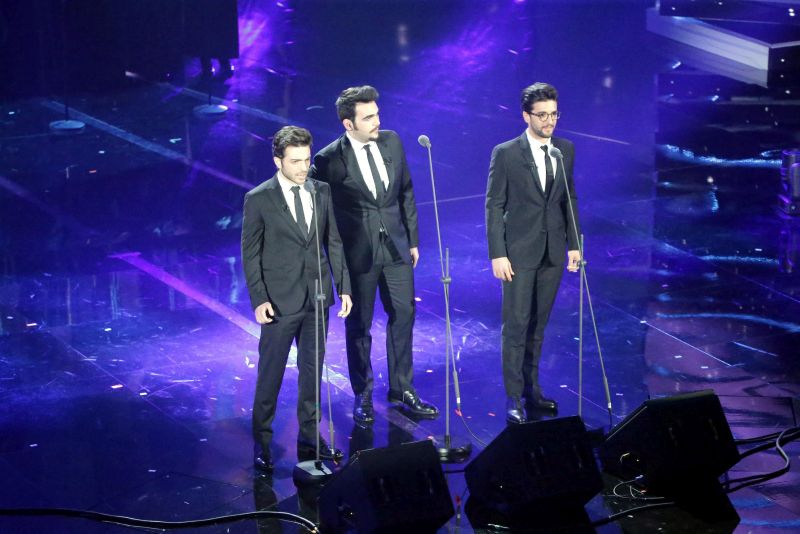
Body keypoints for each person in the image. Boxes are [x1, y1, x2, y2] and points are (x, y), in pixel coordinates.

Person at [309, 85, 438, 424]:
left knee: (404, 313)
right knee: (360, 324)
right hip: (359, 254)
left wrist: (412, 239)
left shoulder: (392, 141)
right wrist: (336, 264)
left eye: (377, 114)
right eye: (368, 117)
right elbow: (323, 217)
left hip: (396, 246)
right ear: (348, 124)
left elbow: (406, 191)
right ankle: (363, 393)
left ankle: (402, 388)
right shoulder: (328, 160)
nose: (377, 121)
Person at [241, 126, 352, 472]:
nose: (304, 168)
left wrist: (343, 286)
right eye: (295, 161)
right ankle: (262, 440)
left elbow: (333, 241)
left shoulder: (321, 191)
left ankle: (309, 435)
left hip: (317, 298)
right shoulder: (259, 198)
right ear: (278, 161)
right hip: (279, 302)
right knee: (270, 374)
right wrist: (259, 298)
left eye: (306, 160)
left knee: (312, 373)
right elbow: (250, 253)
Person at [485, 82, 581, 424]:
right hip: (519, 253)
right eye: (542, 115)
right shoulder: (507, 153)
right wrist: (498, 253)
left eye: (554, 114)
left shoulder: (564, 149)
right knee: (516, 325)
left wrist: (574, 244)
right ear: (526, 116)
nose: (549, 121)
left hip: (552, 250)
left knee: (538, 326)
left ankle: (532, 390)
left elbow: (569, 197)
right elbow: (494, 205)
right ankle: (513, 396)